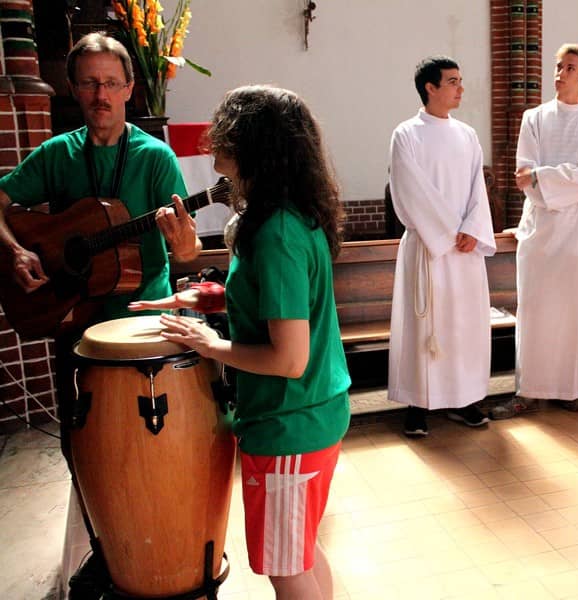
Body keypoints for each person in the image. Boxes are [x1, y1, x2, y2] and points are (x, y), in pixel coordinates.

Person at [131, 85, 351, 598]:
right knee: (300, 553)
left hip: (289, 421)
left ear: (252, 142)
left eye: (223, 128)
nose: (212, 140)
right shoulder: (287, 217)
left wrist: (207, 343)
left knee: (286, 568)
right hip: (308, 414)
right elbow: (280, 307)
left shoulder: (276, 232)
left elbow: (289, 357)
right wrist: (209, 299)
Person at [0, 32, 198, 598]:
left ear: (131, 88)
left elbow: (186, 255)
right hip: (74, 322)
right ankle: (100, 550)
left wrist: (184, 244)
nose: (101, 95)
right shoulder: (56, 154)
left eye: (111, 83)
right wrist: (16, 250)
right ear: (72, 88)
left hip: (141, 326)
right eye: (89, 83)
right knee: (78, 440)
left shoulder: (155, 158)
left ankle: (154, 549)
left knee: (143, 447)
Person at [491, 43, 578, 419]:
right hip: (540, 225)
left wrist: (543, 176)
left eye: (570, 67)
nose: (560, 73)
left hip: (577, 228)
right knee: (536, 309)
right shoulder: (535, 118)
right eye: (558, 66)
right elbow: (522, 175)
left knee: (572, 309)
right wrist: (559, 177)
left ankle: (567, 388)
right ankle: (527, 391)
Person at [387, 56, 496, 437]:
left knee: (464, 326)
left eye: (460, 80)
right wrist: (451, 232)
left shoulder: (467, 135)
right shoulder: (407, 134)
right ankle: (418, 405)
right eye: (452, 81)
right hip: (428, 247)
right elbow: (410, 189)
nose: (460, 88)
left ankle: (464, 399)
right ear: (430, 88)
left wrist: (473, 229)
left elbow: (478, 188)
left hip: (464, 251)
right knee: (425, 327)